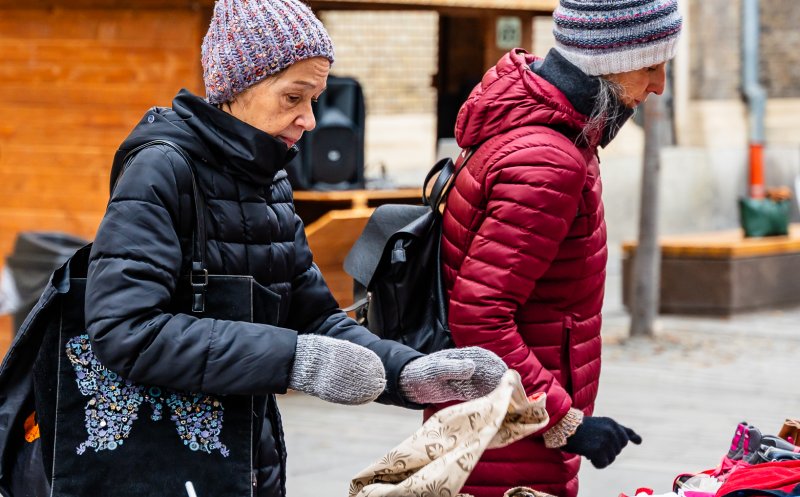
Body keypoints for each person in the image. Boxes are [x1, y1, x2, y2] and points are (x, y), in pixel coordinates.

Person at [80, 0, 507, 495]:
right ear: (235, 87)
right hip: (157, 463)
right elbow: (125, 330)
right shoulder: (162, 170)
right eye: (293, 98)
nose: (308, 119)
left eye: (315, 99)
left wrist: (408, 373)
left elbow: (312, 318)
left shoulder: (272, 181)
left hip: (248, 456)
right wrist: (293, 359)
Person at [429, 1, 684, 496]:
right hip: (509, 437)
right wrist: (566, 421)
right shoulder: (549, 159)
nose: (659, 86)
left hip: (499, 420)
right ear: (607, 62)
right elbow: (480, 316)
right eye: (651, 66)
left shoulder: (546, 127)